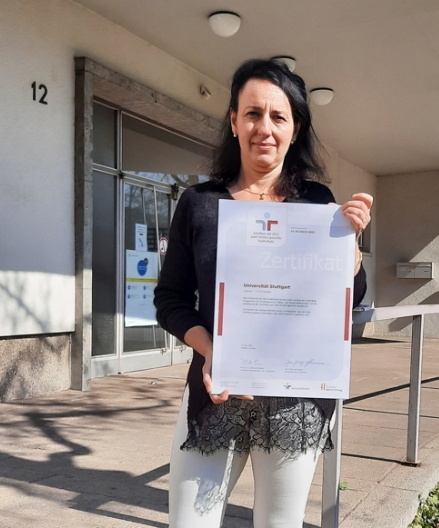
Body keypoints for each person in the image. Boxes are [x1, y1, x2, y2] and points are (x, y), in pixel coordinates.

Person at [154, 58, 373, 528]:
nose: (264, 128)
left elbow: (346, 301)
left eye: (279, 116)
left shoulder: (318, 204)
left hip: (296, 399)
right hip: (218, 389)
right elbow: (169, 300)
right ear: (233, 121)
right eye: (253, 113)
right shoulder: (199, 204)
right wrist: (212, 352)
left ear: (295, 130)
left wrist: (350, 256)